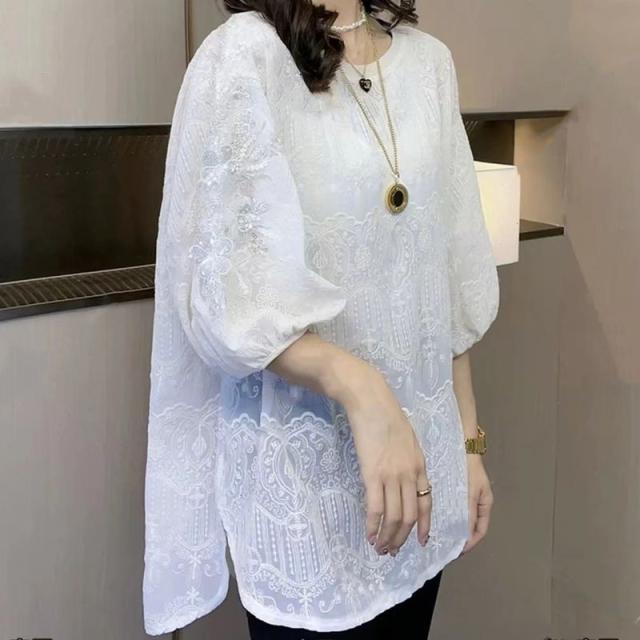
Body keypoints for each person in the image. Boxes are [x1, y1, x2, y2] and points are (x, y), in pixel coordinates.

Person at [142, 0, 499, 638]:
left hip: (425, 478)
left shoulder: (430, 65)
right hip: (308, 502)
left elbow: (446, 276)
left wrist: (469, 445)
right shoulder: (244, 57)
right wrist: (360, 387)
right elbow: (223, 298)